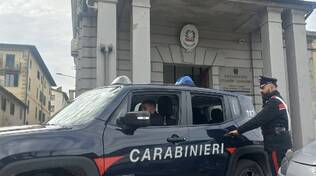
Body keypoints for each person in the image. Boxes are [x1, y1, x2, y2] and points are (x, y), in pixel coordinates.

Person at [228, 76, 292, 176]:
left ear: (270, 87)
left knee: (277, 173)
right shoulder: (277, 100)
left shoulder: (274, 103)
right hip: (279, 143)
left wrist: (238, 131)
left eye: (263, 87)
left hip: (276, 144)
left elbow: (257, 120)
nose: (260, 91)